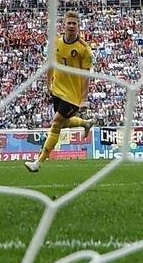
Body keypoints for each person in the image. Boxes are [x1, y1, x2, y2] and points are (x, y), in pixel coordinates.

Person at [25, 12, 95, 173]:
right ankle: (85, 123)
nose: (71, 26)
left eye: (74, 24)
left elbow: (86, 76)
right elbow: (50, 65)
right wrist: (48, 83)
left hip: (73, 96)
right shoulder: (55, 43)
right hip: (57, 90)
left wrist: (83, 98)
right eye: (69, 23)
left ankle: (38, 162)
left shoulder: (84, 50)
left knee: (56, 123)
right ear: (63, 25)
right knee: (63, 122)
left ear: (78, 27)